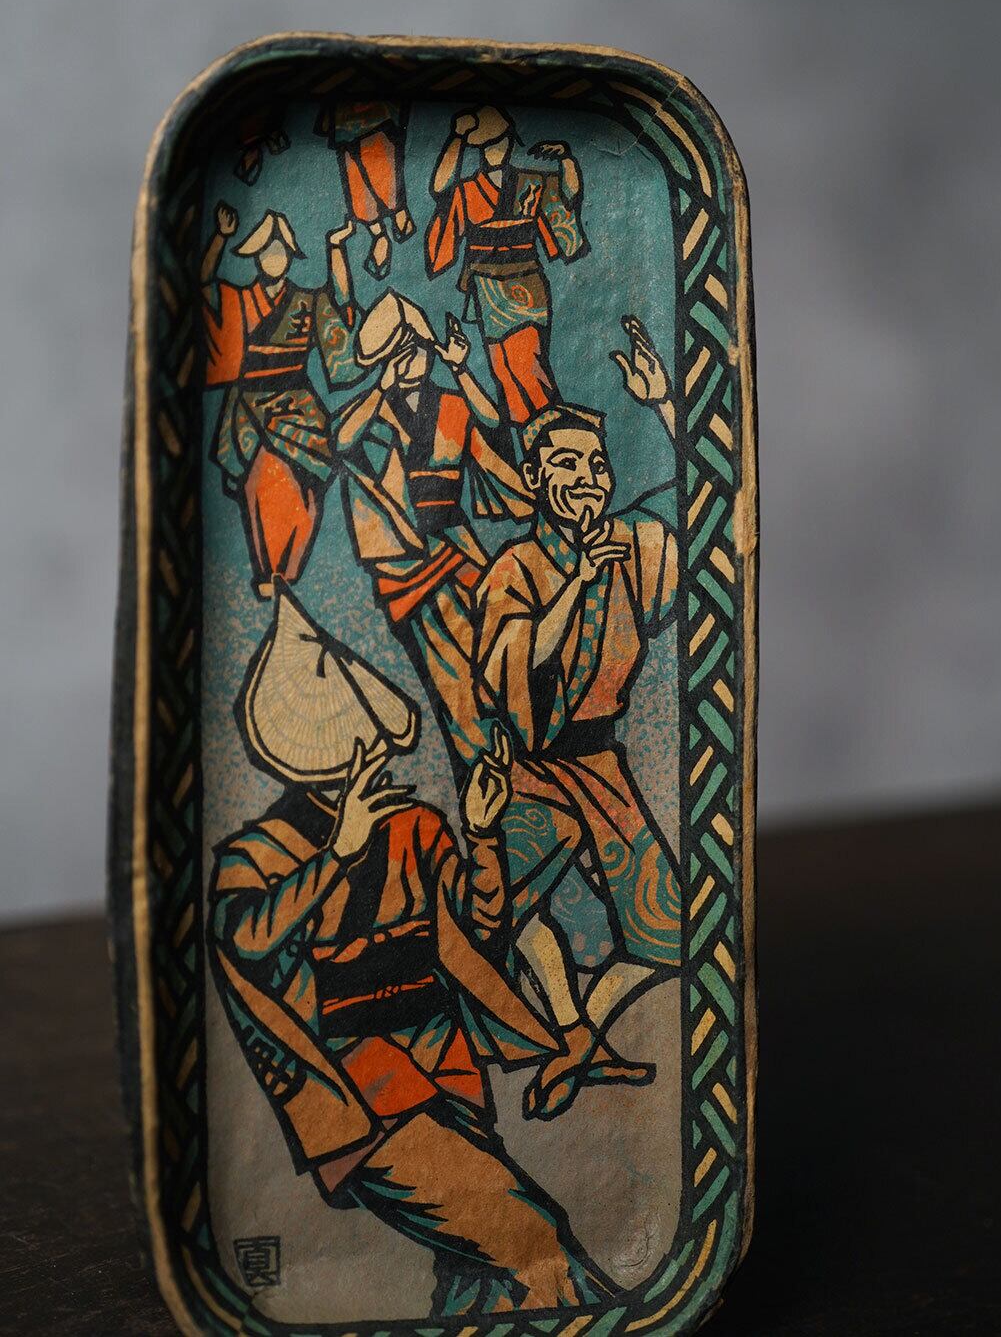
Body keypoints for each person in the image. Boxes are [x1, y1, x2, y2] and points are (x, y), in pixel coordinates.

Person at [209, 584, 613, 1314]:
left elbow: (482, 932)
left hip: (446, 1064)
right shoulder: (257, 855)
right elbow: (245, 944)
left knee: (475, 1279)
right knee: (531, 1238)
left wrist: (483, 832)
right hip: (358, 1090)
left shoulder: (415, 826)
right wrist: (338, 853)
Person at [474, 317, 682, 1120]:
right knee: (504, 913)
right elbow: (511, 667)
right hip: (532, 766)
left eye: (596, 464)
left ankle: (579, 1036)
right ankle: (569, 1032)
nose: (588, 479)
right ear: (534, 479)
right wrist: (576, 586)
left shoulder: (632, 545)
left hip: (602, 767)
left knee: (670, 932)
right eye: (566, 464)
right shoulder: (517, 566)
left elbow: (712, 515)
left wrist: (665, 407)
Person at [336, 290, 533, 785]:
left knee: (499, 653)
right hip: (407, 567)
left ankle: (517, 762)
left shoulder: (451, 405)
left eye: (420, 348)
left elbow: (492, 433)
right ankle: (485, 774)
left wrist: (462, 369)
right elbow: (339, 441)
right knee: (453, 682)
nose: (414, 361)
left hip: (460, 549)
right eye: (402, 353)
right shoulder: (375, 415)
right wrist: (379, 391)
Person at [201, 204, 363, 597]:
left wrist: (336, 250)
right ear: (256, 257)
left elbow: (342, 307)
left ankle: (289, 577)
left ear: (290, 256)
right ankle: (268, 575)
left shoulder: (307, 302)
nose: (274, 258)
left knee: (308, 493)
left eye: (281, 251)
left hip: (299, 407)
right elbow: (203, 284)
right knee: (262, 486)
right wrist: (219, 238)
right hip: (251, 411)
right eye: (267, 251)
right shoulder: (241, 300)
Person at [425, 105, 588, 432]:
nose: (496, 150)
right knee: (504, 374)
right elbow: (440, 190)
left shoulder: (531, 182)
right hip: (487, 290)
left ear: (510, 142)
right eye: (489, 145)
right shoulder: (467, 190)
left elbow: (568, 197)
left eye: (500, 142)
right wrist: (456, 138)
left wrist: (567, 160)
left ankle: (555, 436)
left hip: (526, 285)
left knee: (529, 367)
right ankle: (528, 443)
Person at [316, 98, 415, 279]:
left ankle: (398, 215)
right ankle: (380, 233)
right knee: (355, 180)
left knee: (378, 158)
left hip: (376, 114)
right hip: (345, 119)